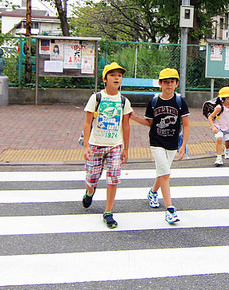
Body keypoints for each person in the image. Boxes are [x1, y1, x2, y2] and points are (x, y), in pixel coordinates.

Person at [130, 68, 190, 223]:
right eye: (165, 82)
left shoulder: (179, 101)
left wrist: (183, 145)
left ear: (176, 83)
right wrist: (134, 117)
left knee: (163, 171)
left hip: (172, 142)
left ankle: (153, 192)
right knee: (165, 174)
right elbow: (149, 122)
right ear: (160, 83)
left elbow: (186, 125)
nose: (168, 85)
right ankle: (170, 209)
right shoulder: (154, 101)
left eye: (171, 82)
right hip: (156, 141)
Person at [81, 62, 133, 229]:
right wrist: (86, 146)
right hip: (96, 144)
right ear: (105, 79)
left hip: (115, 145)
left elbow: (126, 125)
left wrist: (126, 148)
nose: (116, 78)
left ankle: (108, 212)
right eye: (112, 75)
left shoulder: (124, 101)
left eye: (119, 75)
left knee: (113, 179)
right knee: (92, 178)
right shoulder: (96, 98)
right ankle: (90, 191)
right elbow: (87, 122)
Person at [208, 86, 229, 166]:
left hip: (227, 126)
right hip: (218, 126)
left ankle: (226, 151)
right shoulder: (219, 107)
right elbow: (210, 117)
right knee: (219, 139)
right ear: (226, 97)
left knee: (227, 141)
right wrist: (213, 127)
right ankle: (219, 158)